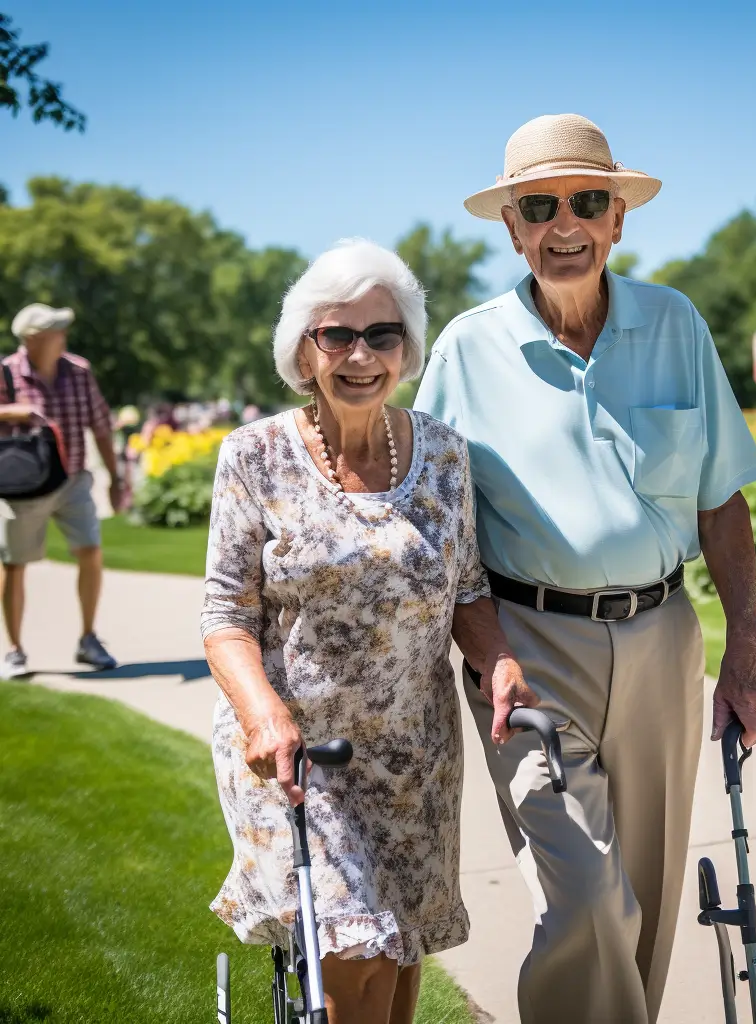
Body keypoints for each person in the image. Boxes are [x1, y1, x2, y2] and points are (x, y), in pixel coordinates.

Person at [415, 113, 756, 1024]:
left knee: (643, 905)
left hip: (662, 641)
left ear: (618, 220)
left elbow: (722, 500)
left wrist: (746, 654)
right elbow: (436, 530)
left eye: (586, 202)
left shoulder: (676, 323)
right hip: (527, 649)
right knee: (585, 895)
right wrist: (488, 649)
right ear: (512, 226)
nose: (563, 223)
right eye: (539, 205)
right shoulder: (466, 347)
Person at [201, 239, 536, 1024]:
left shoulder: (446, 458)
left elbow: (468, 592)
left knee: (399, 956)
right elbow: (224, 615)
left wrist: (500, 662)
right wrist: (263, 713)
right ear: (303, 350)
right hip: (297, 755)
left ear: (407, 347)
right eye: (337, 336)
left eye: (382, 335)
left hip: (411, 757)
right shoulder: (254, 457)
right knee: (358, 950)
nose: (361, 355)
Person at [0, 304, 120, 677]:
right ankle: (15, 650)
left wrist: (116, 478)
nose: (64, 337)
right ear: (34, 339)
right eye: (56, 331)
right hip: (24, 486)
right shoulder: (5, 373)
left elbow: (101, 426)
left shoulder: (79, 371)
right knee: (14, 564)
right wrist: (14, 412)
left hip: (72, 480)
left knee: (90, 551)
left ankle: (88, 639)